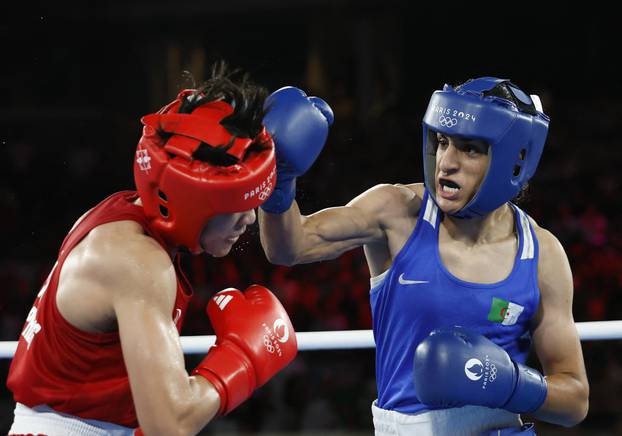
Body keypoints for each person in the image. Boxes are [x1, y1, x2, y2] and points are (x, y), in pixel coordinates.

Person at [259, 77, 590, 435]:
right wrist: (277, 180)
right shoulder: (397, 212)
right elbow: (289, 247)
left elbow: (575, 401)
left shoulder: (542, 254)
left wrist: (509, 385)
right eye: (443, 142)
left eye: (470, 149)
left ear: (514, 159)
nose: (446, 162)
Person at [5, 64, 313, 435]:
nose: (248, 219)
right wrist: (242, 358)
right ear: (192, 203)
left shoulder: (120, 220)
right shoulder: (137, 262)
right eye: (236, 204)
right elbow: (171, 425)